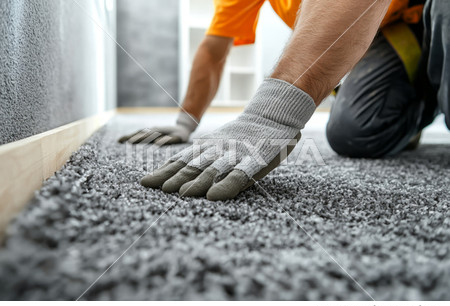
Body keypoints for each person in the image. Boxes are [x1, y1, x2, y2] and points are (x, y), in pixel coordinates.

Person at [120, 0, 449, 201]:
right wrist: (185, 122)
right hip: (381, 29)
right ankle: (423, 95)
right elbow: (214, 49)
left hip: (423, 13)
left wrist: (271, 115)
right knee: (357, 133)